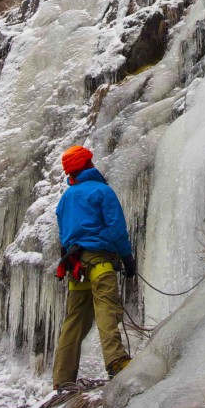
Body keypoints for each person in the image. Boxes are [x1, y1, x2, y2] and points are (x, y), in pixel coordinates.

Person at [52, 145, 136, 391]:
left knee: (74, 321)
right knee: (107, 310)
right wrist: (126, 257)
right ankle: (116, 361)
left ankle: (62, 378)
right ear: (88, 163)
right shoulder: (102, 191)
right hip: (100, 260)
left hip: (75, 266)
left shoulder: (66, 198)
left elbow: (64, 232)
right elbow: (116, 228)